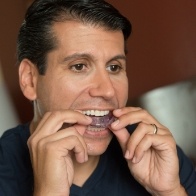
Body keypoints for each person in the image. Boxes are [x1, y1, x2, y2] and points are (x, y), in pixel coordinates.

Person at [0, 0, 196, 195]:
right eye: (79, 66)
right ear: (30, 80)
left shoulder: (151, 148)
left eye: (114, 67)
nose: (108, 90)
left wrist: (169, 191)